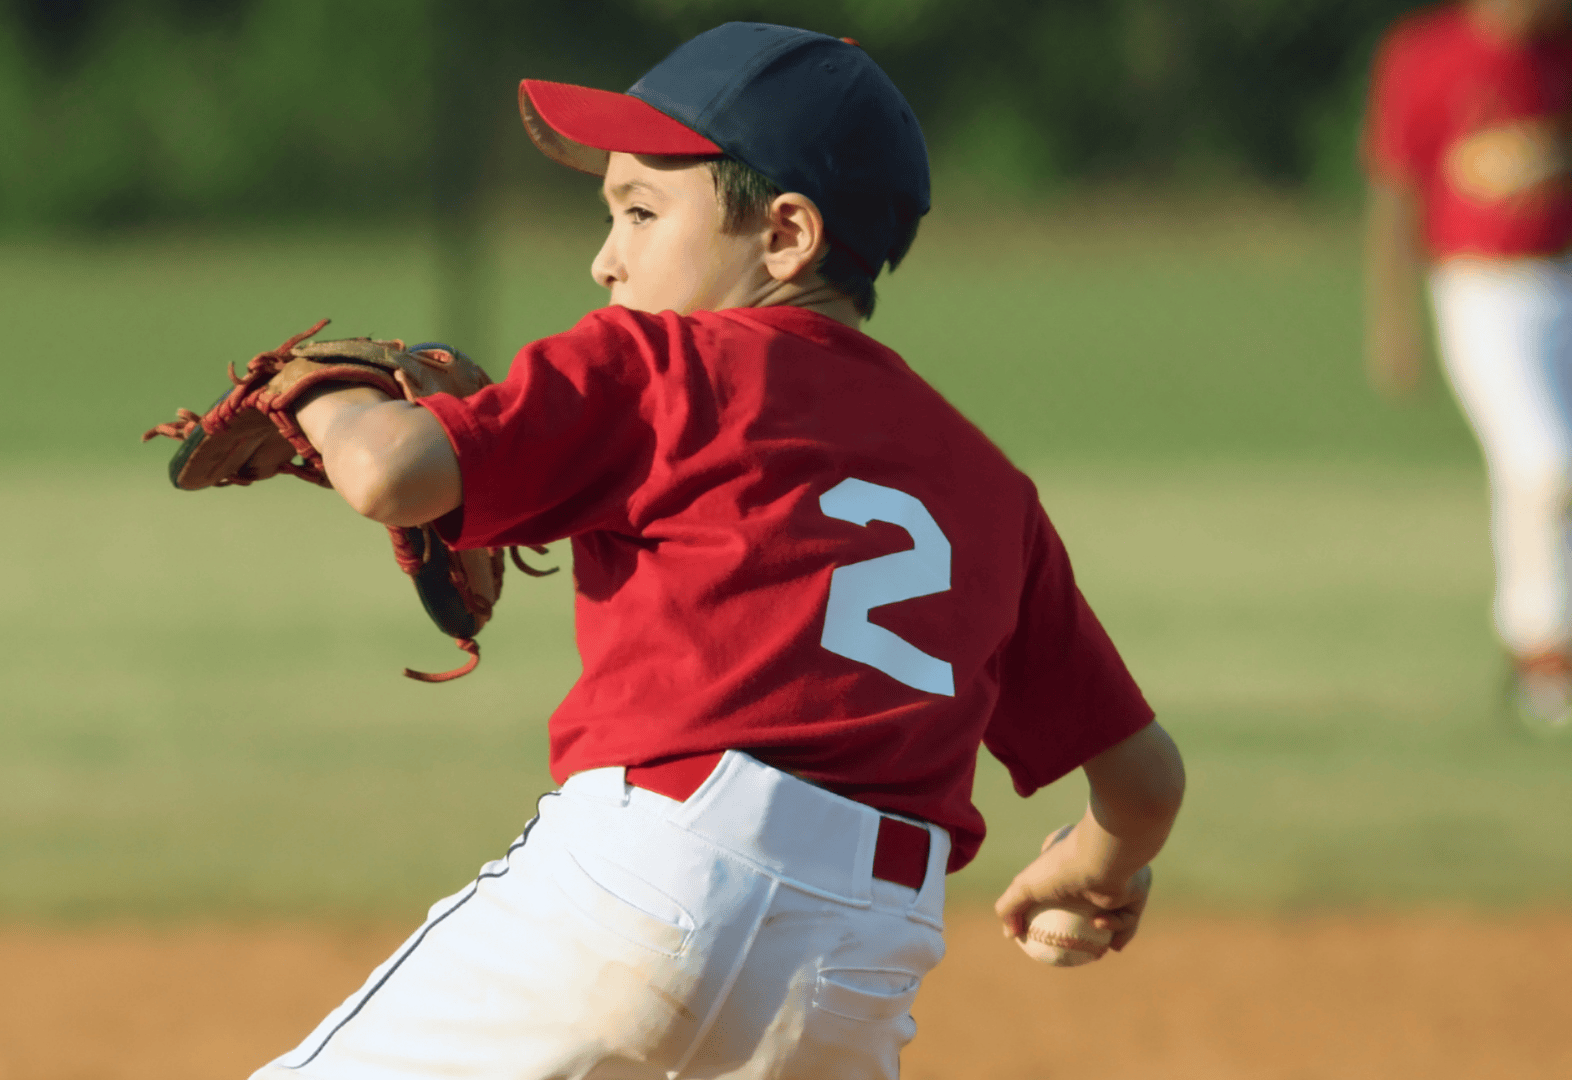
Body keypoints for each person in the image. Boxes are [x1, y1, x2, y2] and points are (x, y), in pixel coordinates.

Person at [249, 23, 1185, 1078]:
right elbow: (1145, 784)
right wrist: (1097, 868)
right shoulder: (988, 485)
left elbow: (389, 473)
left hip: (647, 885)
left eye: (641, 213)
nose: (606, 259)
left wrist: (324, 393)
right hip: (860, 964)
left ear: (785, 234)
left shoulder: (662, 361)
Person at [1364, 0, 1572, 729]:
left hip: (1564, 280)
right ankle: (1539, 647)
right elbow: (1395, 186)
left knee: (1542, 476)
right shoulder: (1429, 53)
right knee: (1545, 464)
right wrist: (1393, 316)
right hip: (1481, 289)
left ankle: (1547, 652)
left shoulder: (1560, 51)